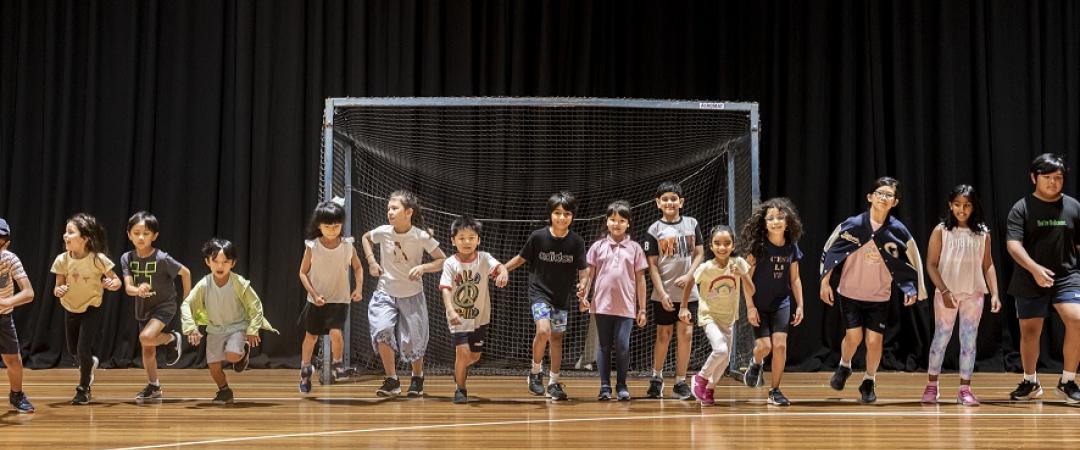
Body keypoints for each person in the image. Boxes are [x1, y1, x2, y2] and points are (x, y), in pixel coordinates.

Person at [820, 177, 927, 403]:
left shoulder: (898, 231)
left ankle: (869, 381)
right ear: (870, 197)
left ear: (895, 202)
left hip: (879, 295)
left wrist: (912, 288)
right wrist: (824, 281)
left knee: (874, 341)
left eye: (889, 195)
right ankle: (845, 365)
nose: (884, 197)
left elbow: (911, 260)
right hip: (850, 292)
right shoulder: (853, 225)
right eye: (880, 193)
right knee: (853, 336)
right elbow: (831, 250)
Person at [1005, 153, 1080, 404]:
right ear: (1034, 177)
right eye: (1047, 177)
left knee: (1077, 319)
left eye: (1058, 178)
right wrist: (1035, 269)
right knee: (1030, 331)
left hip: (1066, 276)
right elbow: (1013, 245)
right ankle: (1030, 381)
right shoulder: (1021, 207)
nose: (1053, 182)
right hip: (1029, 277)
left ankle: (1067, 381)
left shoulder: (1073, 206)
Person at [362, 190, 446, 398]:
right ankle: (392, 380)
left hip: (412, 294)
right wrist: (372, 262)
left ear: (408, 212)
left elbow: (443, 260)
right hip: (385, 292)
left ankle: (417, 377)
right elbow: (365, 238)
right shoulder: (383, 232)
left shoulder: (421, 236)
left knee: (412, 340)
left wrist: (424, 268)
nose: (389, 212)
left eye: (394, 208)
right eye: (388, 208)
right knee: (381, 330)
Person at [505, 191, 589, 401]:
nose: (562, 217)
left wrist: (584, 285)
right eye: (558, 213)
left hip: (561, 297)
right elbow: (521, 258)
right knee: (543, 330)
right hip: (539, 293)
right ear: (551, 214)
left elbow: (583, 270)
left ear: (572, 216)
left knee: (557, 338)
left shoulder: (576, 242)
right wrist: (502, 269)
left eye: (566, 214)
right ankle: (535, 372)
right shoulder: (538, 237)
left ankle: (554, 382)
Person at [922, 185, 1000, 406]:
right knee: (941, 338)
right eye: (957, 205)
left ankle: (964, 389)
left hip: (974, 293)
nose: (962, 210)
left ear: (974, 206)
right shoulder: (941, 231)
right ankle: (932, 385)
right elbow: (931, 264)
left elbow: (988, 264)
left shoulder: (983, 233)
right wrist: (945, 291)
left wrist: (994, 293)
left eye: (966, 205)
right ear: (950, 205)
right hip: (947, 292)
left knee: (968, 340)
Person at [181, 238, 278, 405]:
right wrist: (191, 327)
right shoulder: (204, 284)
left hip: (237, 327)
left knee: (232, 356)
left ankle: (242, 352)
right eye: (216, 261)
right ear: (207, 261)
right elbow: (187, 304)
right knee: (213, 367)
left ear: (233, 263)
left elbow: (255, 305)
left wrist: (252, 330)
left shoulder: (239, 283)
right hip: (214, 329)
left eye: (225, 262)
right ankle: (224, 391)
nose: (220, 266)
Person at [51, 213, 123, 405]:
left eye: (70, 232)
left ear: (85, 238)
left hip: (92, 307)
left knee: (83, 347)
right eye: (65, 232)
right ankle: (90, 362)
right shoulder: (62, 260)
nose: (65, 236)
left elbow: (117, 281)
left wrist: (111, 283)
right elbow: (57, 287)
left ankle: (83, 388)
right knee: (73, 349)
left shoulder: (98, 259)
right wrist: (59, 290)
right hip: (70, 308)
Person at [642, 181, 705, 400]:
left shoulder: (692, 223)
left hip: (689, 294)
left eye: (674, 198)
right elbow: (651, 266)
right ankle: (656, 378)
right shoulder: (654, 230)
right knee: (663, 334)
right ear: (658, 203)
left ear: (681, 202)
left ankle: (680, 381)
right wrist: (661, 293)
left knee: (686, 334)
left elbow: (699, 253)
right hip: (664, 294)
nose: (670, 202)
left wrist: (690, 275)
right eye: (665, 199)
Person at [580, 200, 648, 401]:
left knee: (622, 345)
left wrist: (642, 309)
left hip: (626, 306)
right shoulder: (597, 247)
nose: (616, 223)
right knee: (603, 345)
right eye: (612, 219)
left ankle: (621, 385)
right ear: (606, 221)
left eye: (621, 220)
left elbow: (641, 279)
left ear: (628, 223)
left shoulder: (635, 248)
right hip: (602, 304)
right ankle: (604, 386)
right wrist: (584, 296)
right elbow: (588, 275)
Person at [120, 211, 191, 401]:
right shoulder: (127, 258)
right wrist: (138, 290)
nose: (141, 237)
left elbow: (185, 273)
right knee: (148, 347)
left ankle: (171, 339)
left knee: (146, 337)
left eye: (146, 233)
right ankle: (154, 387)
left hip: (165, 305)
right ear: (129, 234)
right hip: (143, 307)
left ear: (155, 235)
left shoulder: (162, 258)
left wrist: (187, 299)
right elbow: (128, 287)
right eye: (136, 233)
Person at [740, 198, 805, 406]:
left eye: (780, 217)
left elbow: (794, 279)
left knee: (779, 346)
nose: (776, 221)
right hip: (759, 303)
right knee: (763, 347)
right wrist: (750, 307)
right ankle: (756, 363)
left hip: (781, 303)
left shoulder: (792, 248)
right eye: (771, 218)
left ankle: (775, 390)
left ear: (788, 222)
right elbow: (745, 279)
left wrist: (800, 305)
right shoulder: (758, 248)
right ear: (764, 223)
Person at [438, 216, 508, 404]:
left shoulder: (484, 258)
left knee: (474, 356)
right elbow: (445, 288)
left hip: (480, 317)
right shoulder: (450, 263)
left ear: (478, 239)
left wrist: (503, 272)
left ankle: (459, 370)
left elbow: (499, 267)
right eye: (461, 238)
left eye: (471, 237)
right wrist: (451, 310)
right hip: (458, 318)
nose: (466, 241)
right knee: (462, 353)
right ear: (453, 241)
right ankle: (460, 389)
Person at [297, 200, 364, 393]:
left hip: (340, 299)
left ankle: (337, 365)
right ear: (319, 225)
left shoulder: (347, 245)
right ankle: (305, 369)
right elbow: (302, 272)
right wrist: (314, 294)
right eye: (328, 226)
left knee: (336, 332)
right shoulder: (313, 246)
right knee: (311, 337)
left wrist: (358, 288)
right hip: (316, 300)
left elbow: (358, 267)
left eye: (336, 226)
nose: (333, 230)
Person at [687, 225, 753, 406]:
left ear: (733, 245)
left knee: (724, 360)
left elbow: (752, 289)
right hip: (709, 316)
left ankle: (709, 389)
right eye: (717, 243)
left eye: (726, 243)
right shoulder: (706, 267)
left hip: (729, 318)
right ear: (710, 246)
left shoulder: (738, 263)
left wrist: (743, 275)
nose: (722, 247)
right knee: (721, 350)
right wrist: (683, 307)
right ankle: (700, 379)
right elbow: (689, 283)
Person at [0, 218, 36, 413]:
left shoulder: (10, 259)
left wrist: (7, 302)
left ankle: (17, 394)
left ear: (7, 243)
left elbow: (28, 293)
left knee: (13, 360)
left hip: (3, 318)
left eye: (0, 239)